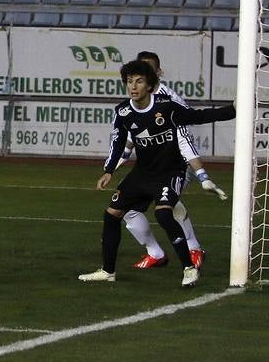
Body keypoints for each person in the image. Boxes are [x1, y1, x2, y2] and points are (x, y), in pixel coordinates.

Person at [80, 59, 235, 289]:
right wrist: (109, 170)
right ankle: (108, 271)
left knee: (164, 214)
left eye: (139, 81)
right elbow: (118, 142)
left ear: (150, 85)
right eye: (129, 81)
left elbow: (198, 117)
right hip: (142, 173)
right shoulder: (123, 112)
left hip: (170, 172)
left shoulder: (167, 107)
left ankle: (189, 269)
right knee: (111, 214)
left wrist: (233, 110)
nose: (133, 86)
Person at [118, 50, 226, 271]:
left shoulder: (170, 101)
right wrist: (123, 155)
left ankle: (194, 249)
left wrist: (202, 174)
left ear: (157, 73)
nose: (141, 76)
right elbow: (132, 131)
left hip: (178, 163)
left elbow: (184, 137)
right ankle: (155, 253)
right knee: (127, 208)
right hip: (151, 167)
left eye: (146, 71)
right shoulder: (135, 99)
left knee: (168, 202)